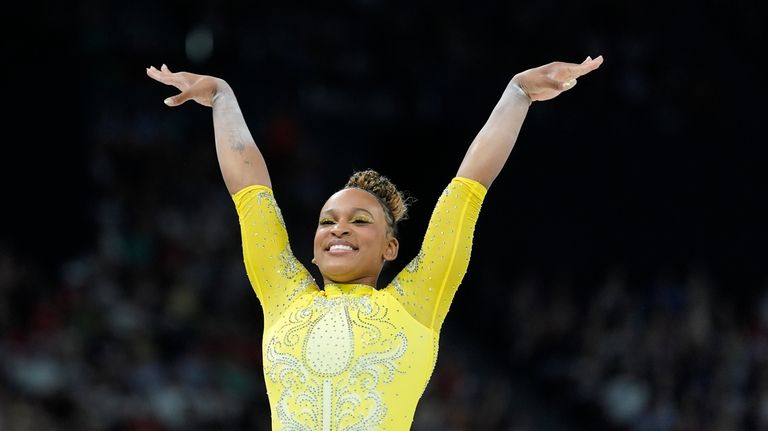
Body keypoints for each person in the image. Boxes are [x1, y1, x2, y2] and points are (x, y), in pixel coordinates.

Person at [146, 54, 603, 430]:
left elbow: (468, 187)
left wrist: (518, 93)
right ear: (312, 246)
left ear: (390, 248)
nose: (338, 229)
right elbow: (250, 191)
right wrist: (222, 96)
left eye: (359, 220)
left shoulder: (417, 302)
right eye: (328, 221)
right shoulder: (284, 296)